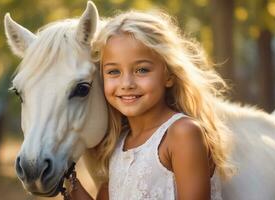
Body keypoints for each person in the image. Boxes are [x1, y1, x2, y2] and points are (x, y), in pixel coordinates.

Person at [67, 10, 235, 200]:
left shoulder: (183, 133)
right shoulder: (119, 145)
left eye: (141, 70)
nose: (126, 84)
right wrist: (69, 180)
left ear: (169, 75)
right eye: (114, 72)